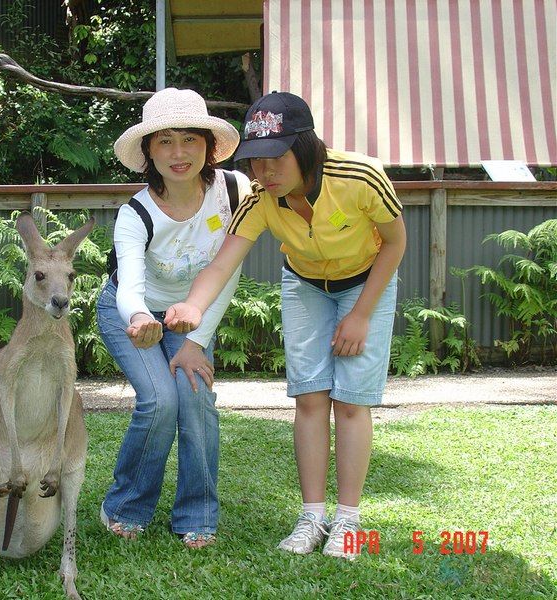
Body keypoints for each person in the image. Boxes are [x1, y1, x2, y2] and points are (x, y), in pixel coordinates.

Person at [165, 92, 406, 559]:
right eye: (256, 161)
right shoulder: (259, 199)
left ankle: (348, 520)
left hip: (366, 281)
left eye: (276, 157)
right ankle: (312, 517)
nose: (265, 172)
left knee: (351, 400)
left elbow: (395, 243)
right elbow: (223, 262)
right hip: (305, 284)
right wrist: (192, 307)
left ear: (305, 147)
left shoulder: (360, 177)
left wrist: (360, 315)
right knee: (310, 396)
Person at [97, 87, 252, 549]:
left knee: (195, 398)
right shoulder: (135, 213)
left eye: (189, 139)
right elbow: (129, 286)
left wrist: (195, 342)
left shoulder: (234, 191)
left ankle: (197, 514)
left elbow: (227, 272)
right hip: (132, 315)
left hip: (193, 317)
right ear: (148, 151)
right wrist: (140, 318)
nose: (178, 153)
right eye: (164, 141)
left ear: (209, 145)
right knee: (160, 401)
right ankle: (126, 506)